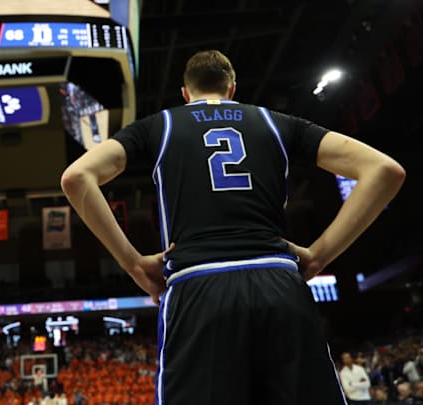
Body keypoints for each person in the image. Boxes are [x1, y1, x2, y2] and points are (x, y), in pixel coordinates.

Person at [60, 49, 405, 405]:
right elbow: (385, 171)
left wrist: (132, 263)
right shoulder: (276, 122)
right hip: (278, 283)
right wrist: (319, 255)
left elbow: (76, 177)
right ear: (232, 89)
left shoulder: (159, 125)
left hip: (197, 284)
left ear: (184, 92)